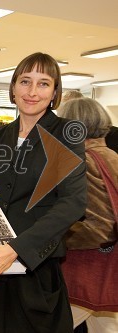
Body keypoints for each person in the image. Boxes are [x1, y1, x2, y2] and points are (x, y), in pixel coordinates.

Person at [0, 52, 87, 333]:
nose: (32, 92)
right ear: (13, 87)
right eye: (25, 81)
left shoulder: (65, 134)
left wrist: (15, 249)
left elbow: (73, 203)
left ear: (54, 93)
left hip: (31, 271)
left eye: (43, 83)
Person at [58, 97, 118, 333]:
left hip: (85, 267)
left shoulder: (84, 161)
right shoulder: (111, 156)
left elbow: (99, 228)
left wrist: (53, 241)